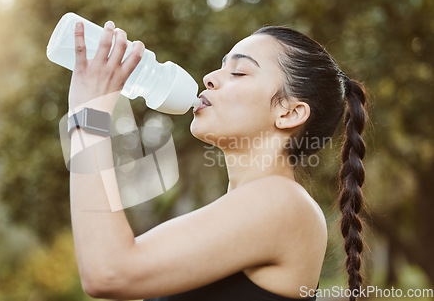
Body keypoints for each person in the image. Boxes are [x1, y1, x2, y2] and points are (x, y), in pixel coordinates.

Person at [67, 20, 367, 301]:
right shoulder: (237, 211)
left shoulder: (283, 202)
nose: (210, 78)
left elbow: (108, 271)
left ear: (289, 112)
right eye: (221, 67)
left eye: (239, 72)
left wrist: (88, 114)